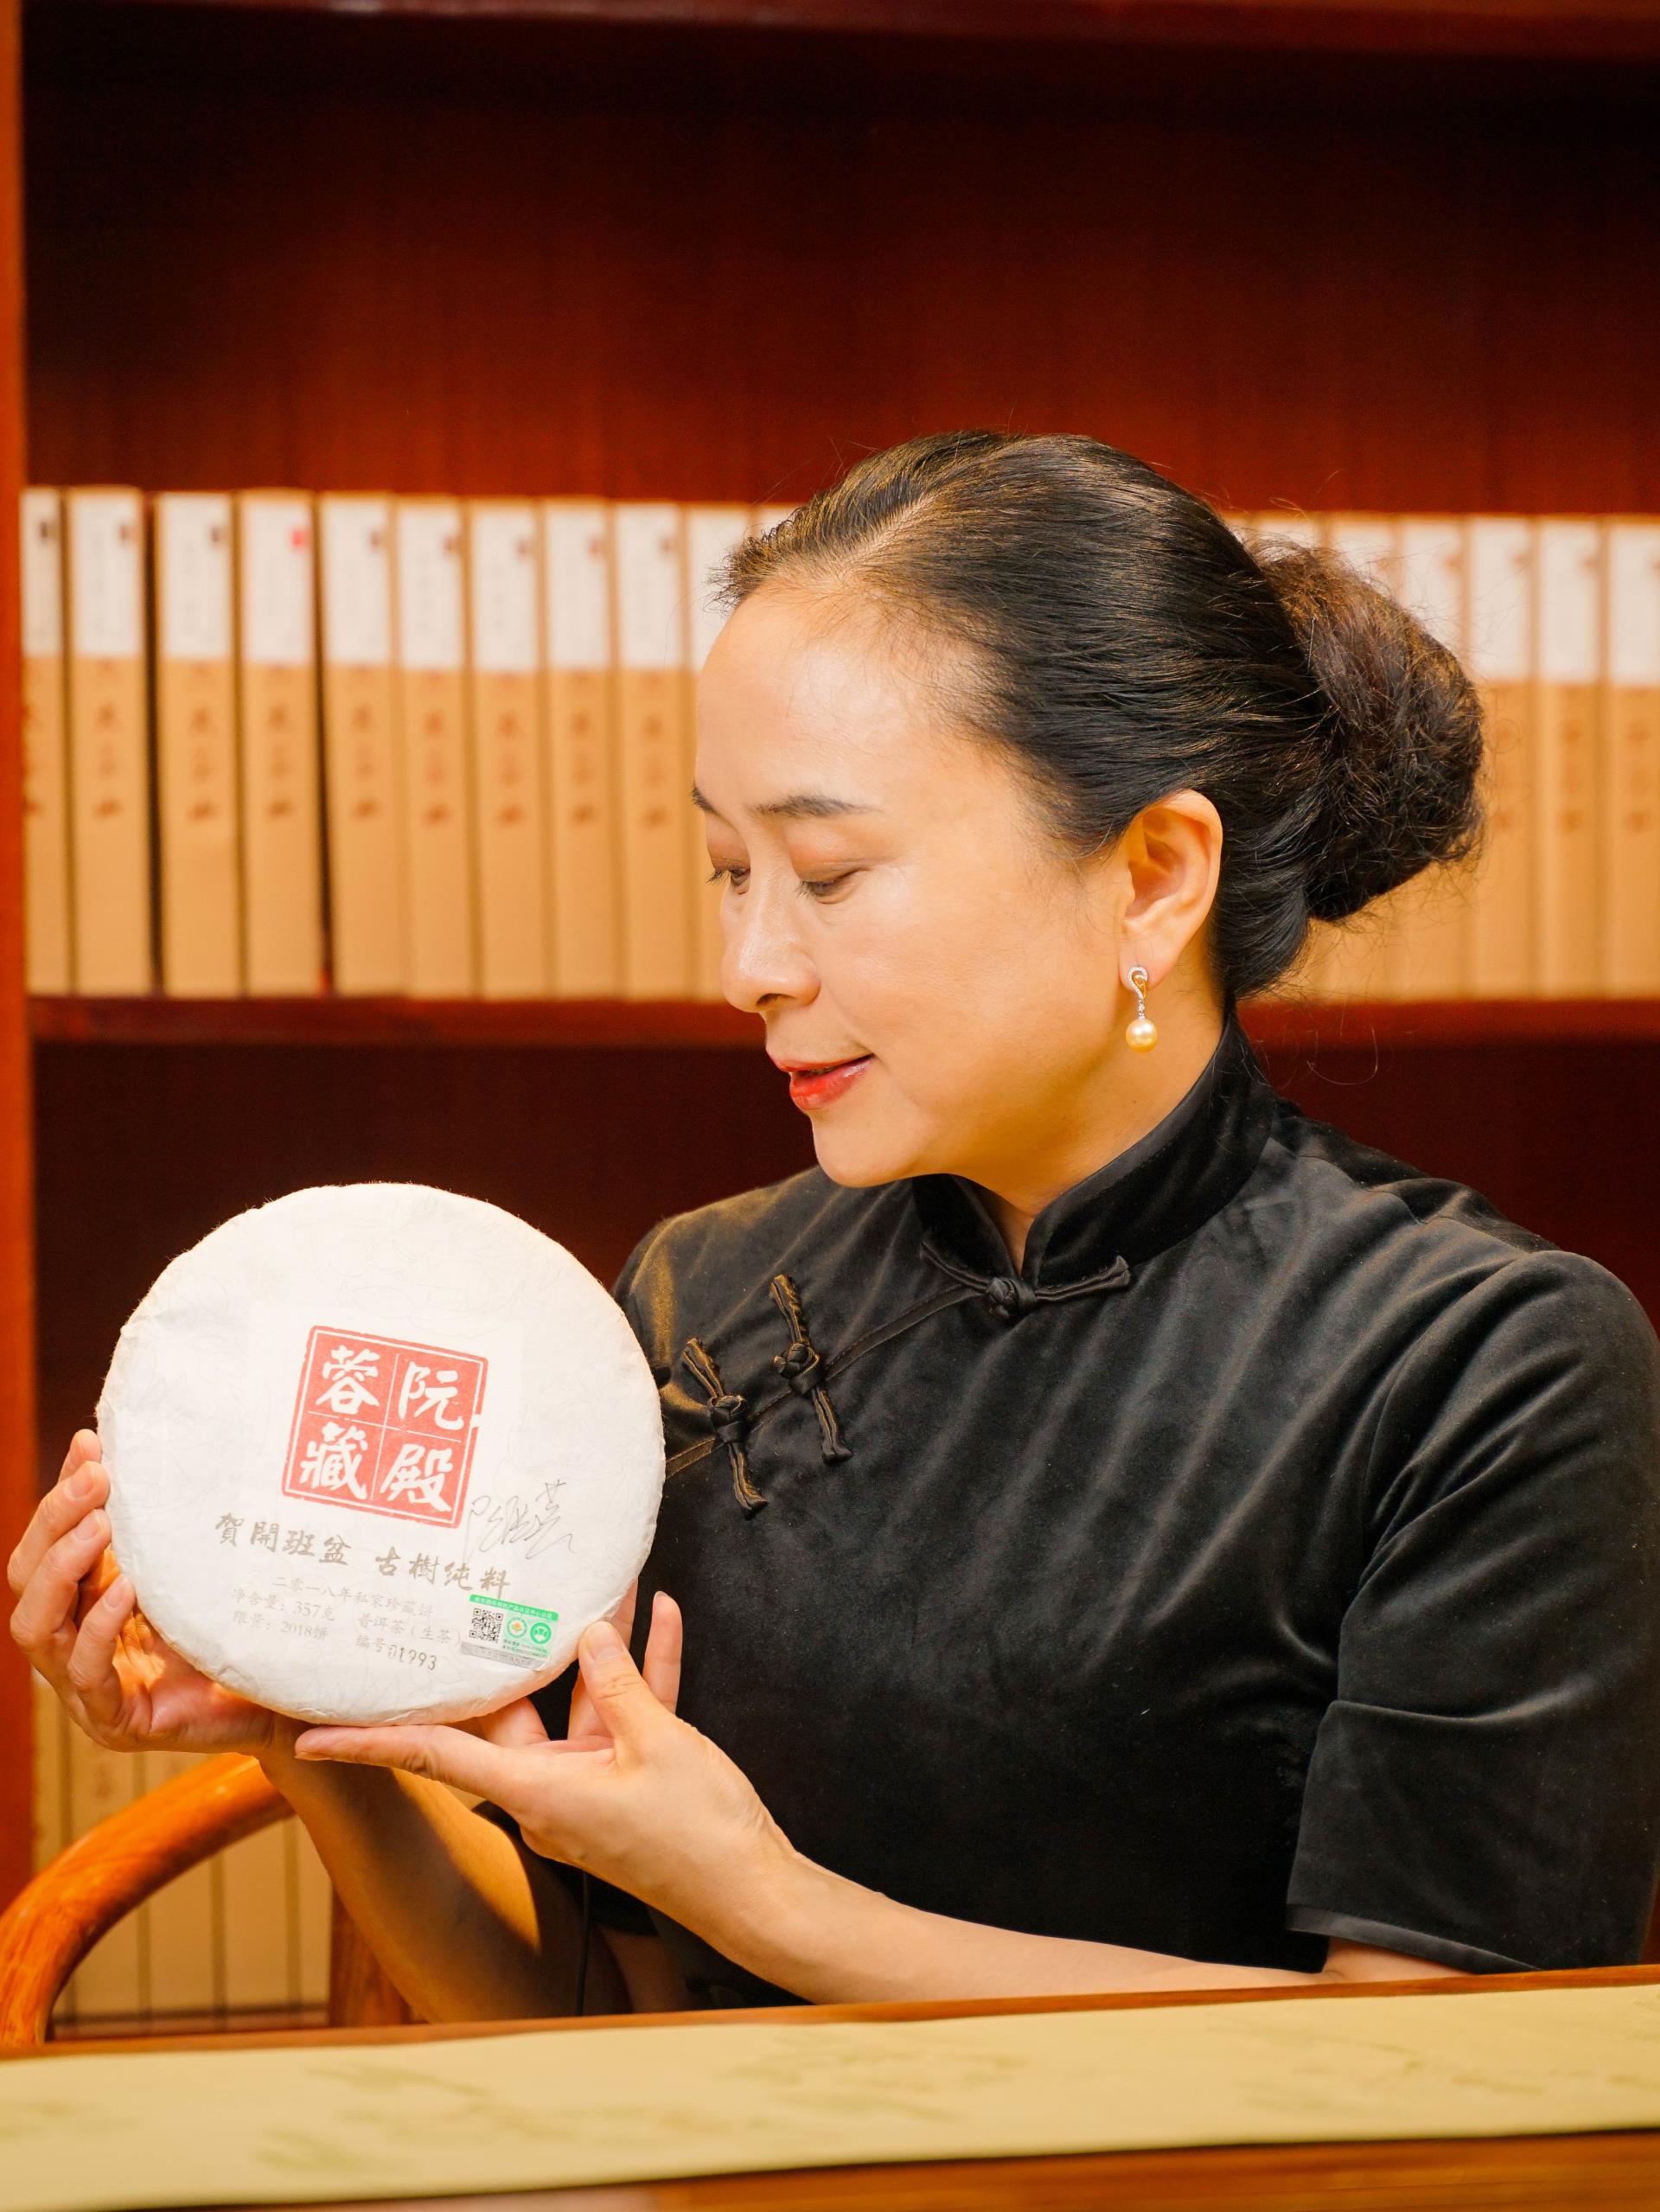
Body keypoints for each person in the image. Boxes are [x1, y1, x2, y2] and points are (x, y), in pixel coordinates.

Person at [11, 432, 1660, 2024]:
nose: (751, 966)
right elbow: (598, 2018)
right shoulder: (701, 1295)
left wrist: (772, 1903)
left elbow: (1439, 2075)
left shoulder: (1484, 1364)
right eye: (730, 870)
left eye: (829, 870)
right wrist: (302, 1713)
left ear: (1155, 875)